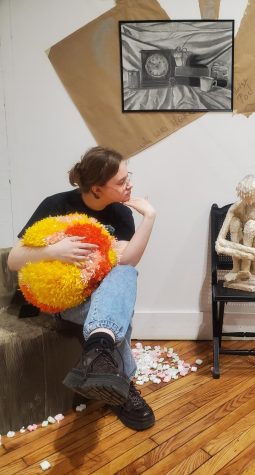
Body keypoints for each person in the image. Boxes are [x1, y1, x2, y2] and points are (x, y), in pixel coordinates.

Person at [7, 146, 156, 431]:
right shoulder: (56, 205)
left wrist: (149, 218)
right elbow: (14, 260)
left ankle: (99, 351)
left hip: (99, 294)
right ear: (98, 189)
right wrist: (56, 251)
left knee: (125, 274)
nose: (130, 185)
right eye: (122, 182)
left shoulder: (121, 213)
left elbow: (126, 260)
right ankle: (124, 388)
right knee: (116, 316)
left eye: (129, 177)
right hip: (62, 296)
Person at [215, 174, 255, 282]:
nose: (247, 203)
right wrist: (250, 251)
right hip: (247, 253)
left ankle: (245, 269)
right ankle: (237, 269)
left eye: (249, 198)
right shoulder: (236, 207)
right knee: (235, 222)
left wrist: (226, 249)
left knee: (251, 225)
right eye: (244, 198)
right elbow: (219, 242)